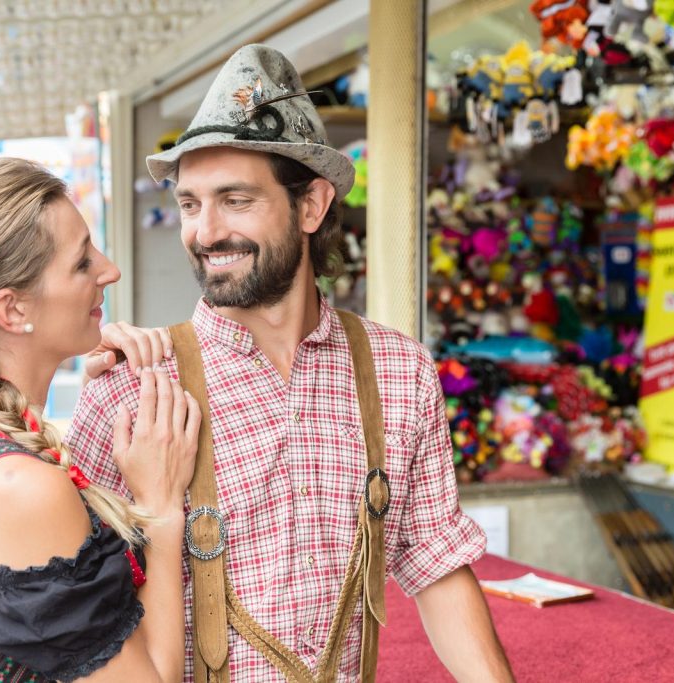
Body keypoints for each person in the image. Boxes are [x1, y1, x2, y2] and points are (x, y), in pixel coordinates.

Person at [68, 45, 515, 682]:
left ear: (311, 206)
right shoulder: (132, 389)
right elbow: (78, 616)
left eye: (236, 200)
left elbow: (435, 561)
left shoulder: (400, 370)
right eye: (191, 204)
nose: (205, 231)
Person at [0, 142, 200, 682]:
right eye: (82, 262)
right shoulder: (17, 488)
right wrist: (161, 504)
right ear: (13, 309)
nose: (110, 270)